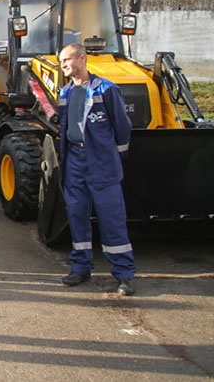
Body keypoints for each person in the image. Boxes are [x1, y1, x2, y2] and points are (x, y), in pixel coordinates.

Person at [58, 43, 136, 296]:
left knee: (111, 218)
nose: (64, 65)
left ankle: (124, 274)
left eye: (67, 60)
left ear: (82, 58)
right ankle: (80, 267)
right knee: (77, 214)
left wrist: (114, 158)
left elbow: (122, 129)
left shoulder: (107, 90)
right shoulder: (65, 93)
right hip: (74, 161)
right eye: (61, 62)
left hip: (101, 163)